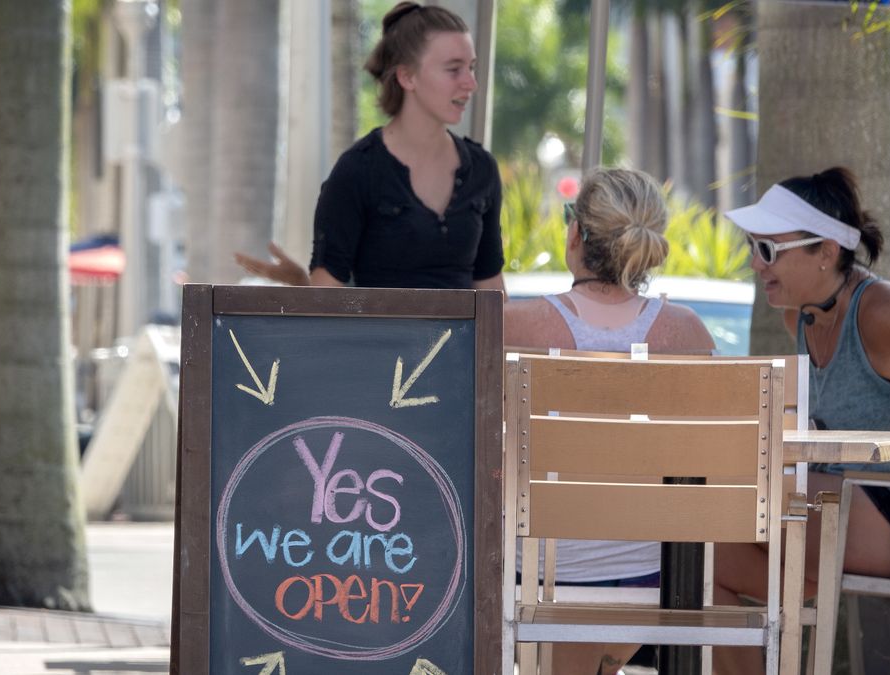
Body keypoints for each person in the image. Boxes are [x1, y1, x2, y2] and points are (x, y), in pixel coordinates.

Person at [716, 167, 890, 674]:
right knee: (703, 559)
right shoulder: (801, 317)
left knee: (733, 492)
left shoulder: (882, 317)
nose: (755, 264)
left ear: (825, 252)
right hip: (851, 515)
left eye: (768, 250)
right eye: (751, 246)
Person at [502, 167, 717, 675]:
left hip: (536, 580)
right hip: (654, 581)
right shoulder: (687, 333)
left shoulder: (516, 327)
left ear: (576, 234)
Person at [235, 1, 504, 292]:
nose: (471, 83)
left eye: (472, 68)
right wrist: (302, 285)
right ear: (406, 76)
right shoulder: (357, 171)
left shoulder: (482, 170)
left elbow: (493, 300)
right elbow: (326, 300)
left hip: (467, 340)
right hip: (379, 339)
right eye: (454, 69)